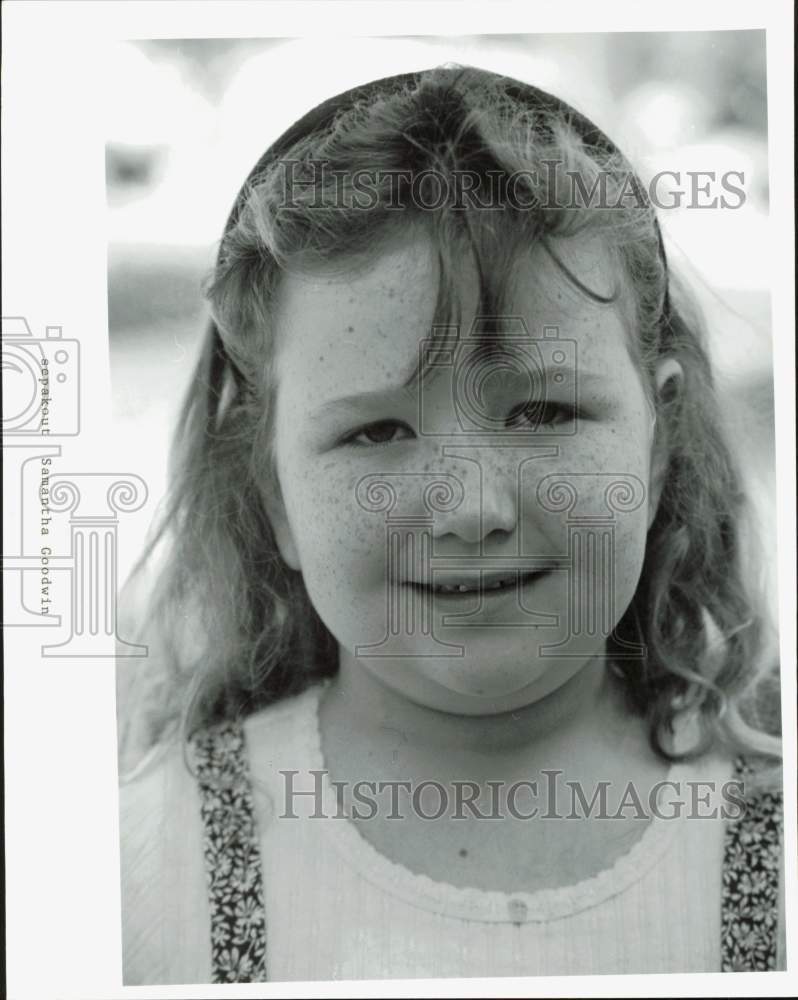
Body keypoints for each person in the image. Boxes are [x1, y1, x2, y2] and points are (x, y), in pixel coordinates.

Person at [117, 66, 784, 983]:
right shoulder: (141, 882)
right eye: (377, 431)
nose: (473, 508)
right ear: (273, 496)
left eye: (543, 413)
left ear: (659, 445)